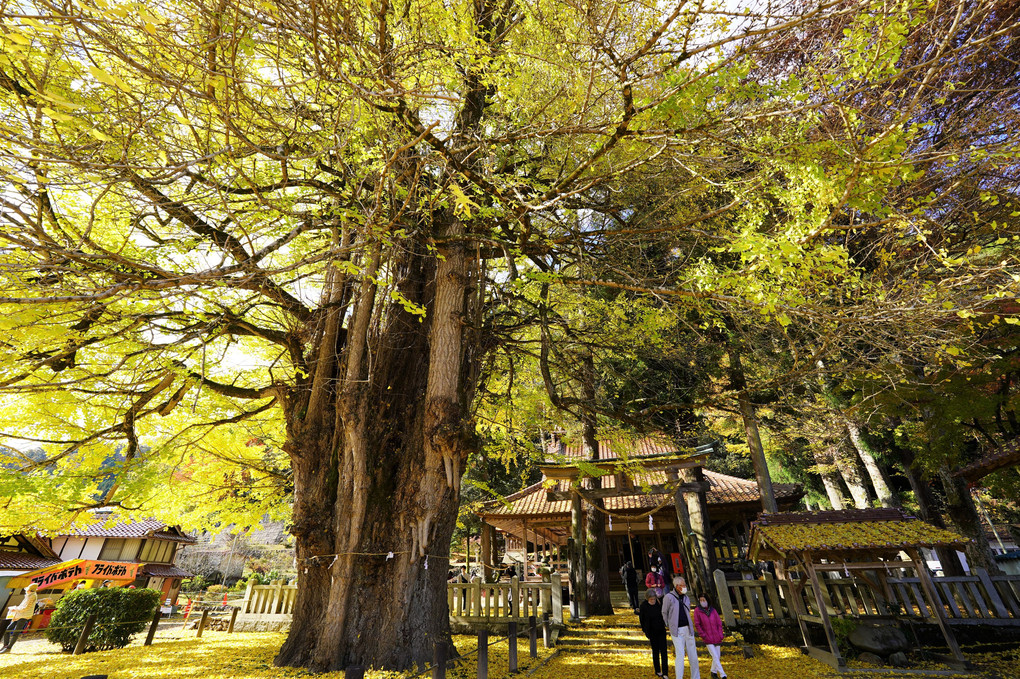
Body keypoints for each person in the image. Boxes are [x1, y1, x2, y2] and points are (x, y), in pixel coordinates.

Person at [662, 576, 700, 679]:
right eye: (683, 585)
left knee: (693, 655)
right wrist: (668, 625)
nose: (685, 587)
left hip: (688, 628)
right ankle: (679, 677)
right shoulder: (668, 597)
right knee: (680, 655)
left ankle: (696, 677)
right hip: (677, 630)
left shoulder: (686, 597)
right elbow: (664, 612)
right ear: (677, 586)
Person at [693, 592, 727, 679]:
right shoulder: (697, 611)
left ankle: (713, 672)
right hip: (707, 637)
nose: (702, 602)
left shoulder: (713, 610)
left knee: (717, 656)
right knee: (715, 656)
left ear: (707, 600)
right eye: (700, 600)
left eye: (703, 600)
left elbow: (719, 623)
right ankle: (723, 674)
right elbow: (697, 624)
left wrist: (720, 634)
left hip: (716, 636)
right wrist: (703, 635)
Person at [639, 588, 670, 678]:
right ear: (647, 599)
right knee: (655, 651)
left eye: (654, 599)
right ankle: (657, 670)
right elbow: (642, 620)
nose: (653, 601)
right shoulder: (644, 606)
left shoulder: (659, 604)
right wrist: (645, 631)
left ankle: (665, 672)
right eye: (651, 599)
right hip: (652, 632)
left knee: (664, 651)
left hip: (661, 630)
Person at [0, 582, 39, 654]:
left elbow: (25, 608)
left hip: (24, 616)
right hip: (19, 615)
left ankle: (8, 648)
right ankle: (5, 646)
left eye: (28, 590)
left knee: (16, 632)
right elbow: (23, 606)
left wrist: (15, 608)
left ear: (31, 590)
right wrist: (16, 608)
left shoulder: (32, 596)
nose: (26, 591)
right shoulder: (28, 595)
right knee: (8, 629)